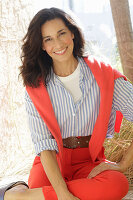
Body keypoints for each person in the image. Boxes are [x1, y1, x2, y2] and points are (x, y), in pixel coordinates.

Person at [1, 7, 133, 200]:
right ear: (42, 46)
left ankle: (20, 195)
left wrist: (123, 164)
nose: (58, 43)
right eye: (48, 39)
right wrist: (62, 194)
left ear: (72, 33)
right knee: (48, 186)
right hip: (51, 163)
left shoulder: (104, 76)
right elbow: (44, 145)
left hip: (89, 161)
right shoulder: (35, 87)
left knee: (118, 184)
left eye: (61, 33)